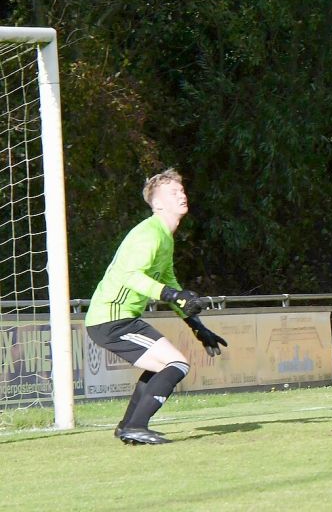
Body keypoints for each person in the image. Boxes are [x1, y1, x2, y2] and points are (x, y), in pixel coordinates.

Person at [85, 169, 228, 445]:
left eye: (182, 190)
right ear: (157, 204)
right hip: (113, 319)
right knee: (177, 364)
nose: (182, 195)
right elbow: (131, 276)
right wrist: (172, 294)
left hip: (117, 319)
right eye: (173, 193)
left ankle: (128, 426)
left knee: (163, 365)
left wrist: (197, 327)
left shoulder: (163, 235)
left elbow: (169, 282)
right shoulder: (149, 234)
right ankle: (136, 426)